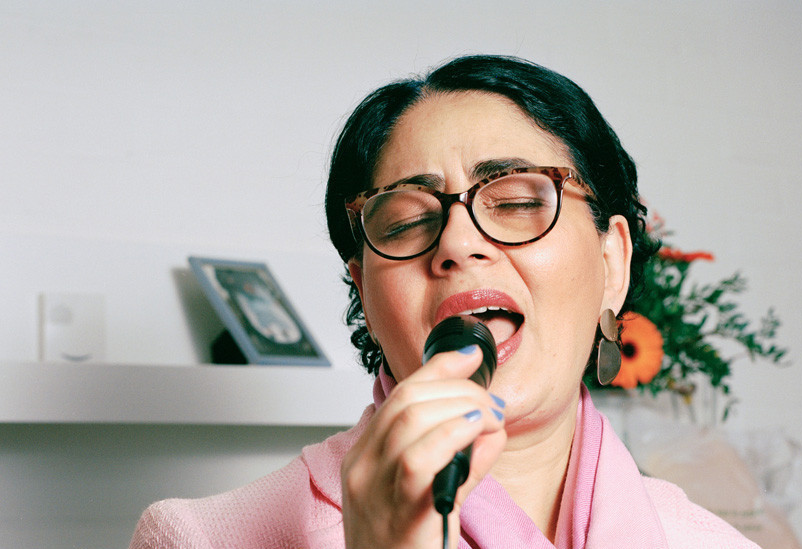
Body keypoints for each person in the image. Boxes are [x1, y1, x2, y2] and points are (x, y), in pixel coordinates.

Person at [130, 54, 758, 549]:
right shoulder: (201, 540)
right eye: (404, 222)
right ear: (365, 292)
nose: (457, 244)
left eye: (515, 202)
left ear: (611, 262)